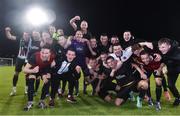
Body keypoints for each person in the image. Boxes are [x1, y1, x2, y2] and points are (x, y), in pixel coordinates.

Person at [23, 45, 55, 111]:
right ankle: (30, 102)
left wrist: (47, 74)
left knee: (47, 81)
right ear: (40, 52)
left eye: (46, 53)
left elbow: (50, 66)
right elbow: (24, 70)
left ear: (50, 53)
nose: (44, 55)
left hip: (43, 70)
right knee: (31, 80)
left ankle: (42, 101)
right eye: (42, 53)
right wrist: (33, 70)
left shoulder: (52, 57)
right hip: (34, 69)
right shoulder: (34, 57)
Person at [5, 27, 30, 96]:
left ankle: (26, 90)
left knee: (27, 75)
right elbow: (9, 37)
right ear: (23, 34)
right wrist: (7, 31)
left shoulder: (31, 40)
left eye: (27, 35)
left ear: (29, 35)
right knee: (16, 73)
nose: (25, 36)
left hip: (27, 59)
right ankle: (14, 89)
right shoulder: (20, 38)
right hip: (20, 58)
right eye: (24, 35)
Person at [158, 38, 180, 106]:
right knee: (170, 85)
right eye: (160, 47)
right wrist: (161, 68)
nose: (161, 49)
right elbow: (163, 61)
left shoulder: (177, 50)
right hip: (172, 69)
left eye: (163, 47)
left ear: (169, 46)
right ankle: (178, 98)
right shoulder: (162, 52)